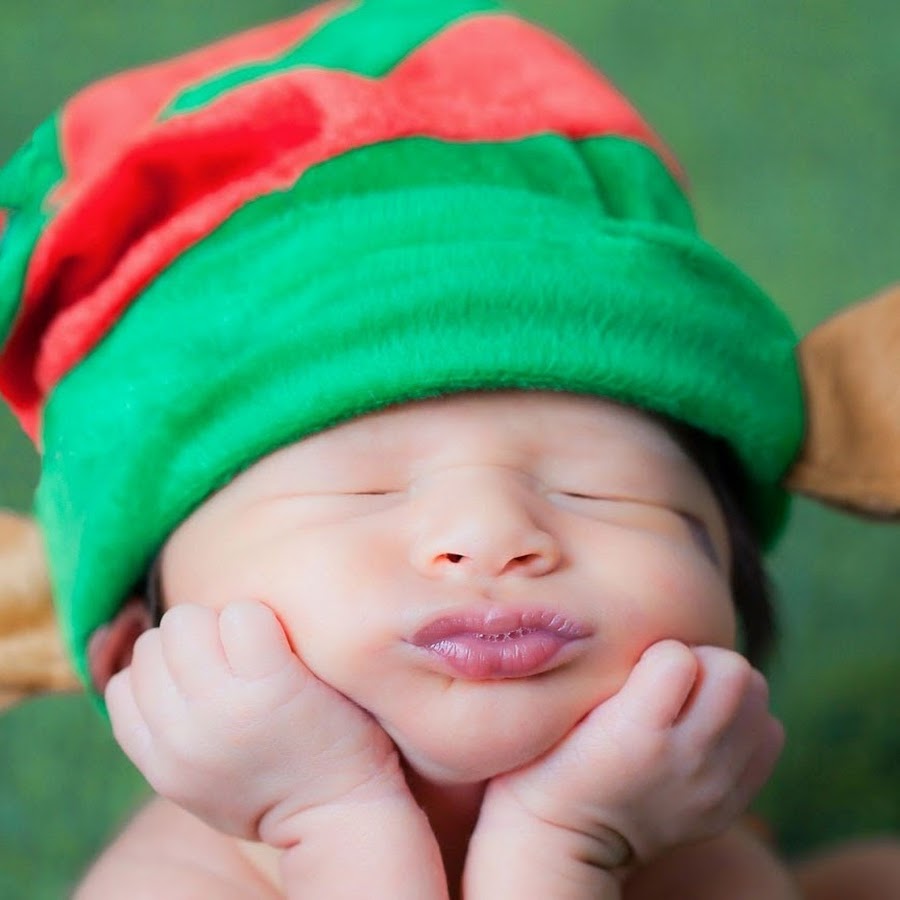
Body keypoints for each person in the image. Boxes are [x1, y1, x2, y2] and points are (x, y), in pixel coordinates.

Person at [0, 1, 897, 897]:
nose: (493, 532)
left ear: (733, 600)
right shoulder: (168, 882)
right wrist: (353, 823)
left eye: (604, 492)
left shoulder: (704, 860)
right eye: (360, 493)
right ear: (140, 656)